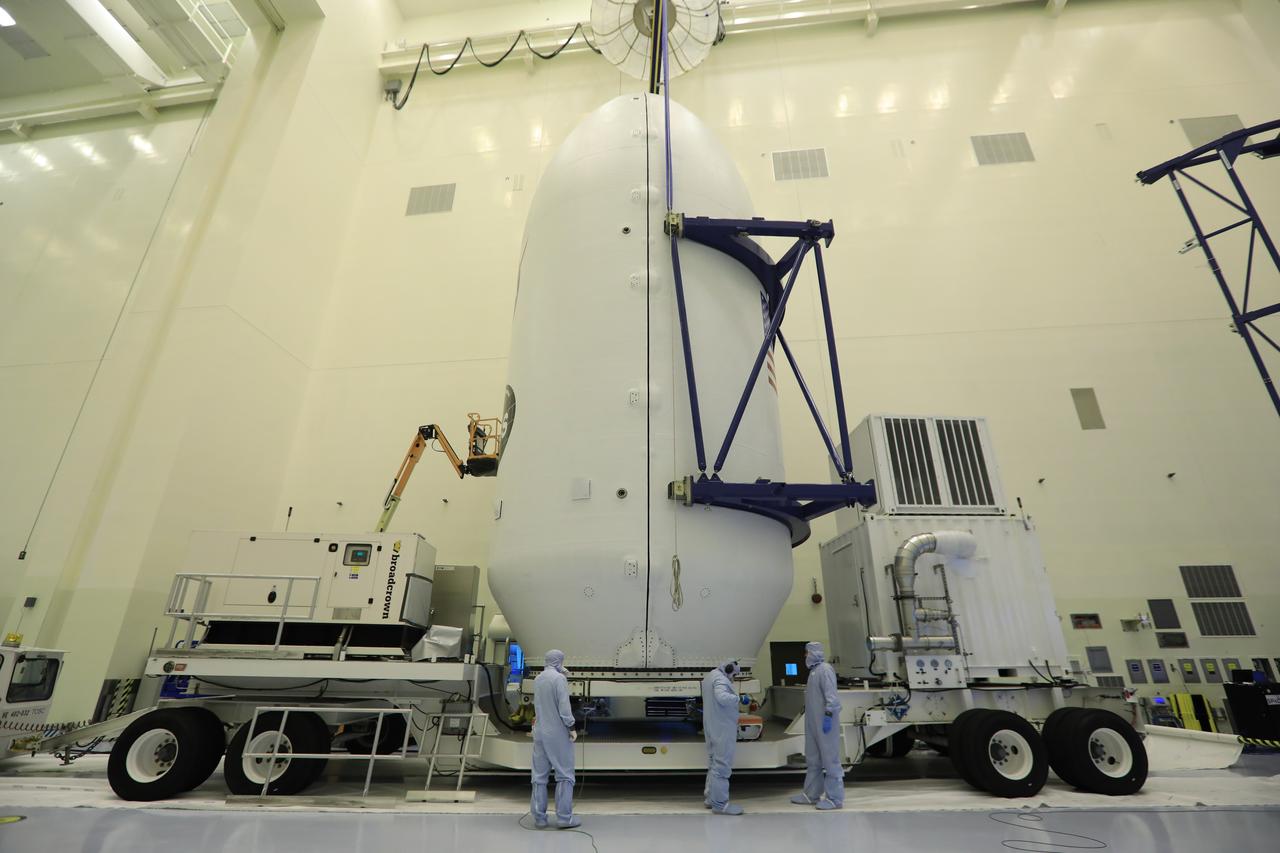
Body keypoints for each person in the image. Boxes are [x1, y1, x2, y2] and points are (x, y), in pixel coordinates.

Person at [790, 641, 844, 810]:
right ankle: (811, 794)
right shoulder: (814, 672)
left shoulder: (825, 670)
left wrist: (828, 716)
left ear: (814, 653)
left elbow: (832, 698)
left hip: (825, 723)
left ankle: (834, 798)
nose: (805, 656)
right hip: (813, 724)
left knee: (830, 760)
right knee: (813, 759)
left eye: (807, 652)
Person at [531, 649, 580, 829]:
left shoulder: (538, 679)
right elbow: (564, 708)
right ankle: (564, 818)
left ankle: (539, 818)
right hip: (557, 732)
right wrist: (572, 727)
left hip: (540, 732)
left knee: (539, 777)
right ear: (559, 661)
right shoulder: (559, 679)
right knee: (565, 774)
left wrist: (560, 673)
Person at [702, 660, 744, 815]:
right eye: (734, 674)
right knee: (722, 766)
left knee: (714, 764)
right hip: (722, 728)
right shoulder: (720, 679)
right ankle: (720, 804)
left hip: (712, 726)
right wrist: (739, 699)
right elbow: (722, 697)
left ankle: (710, 798)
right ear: (728, 669)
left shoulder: (710, 676)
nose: (733, 677)